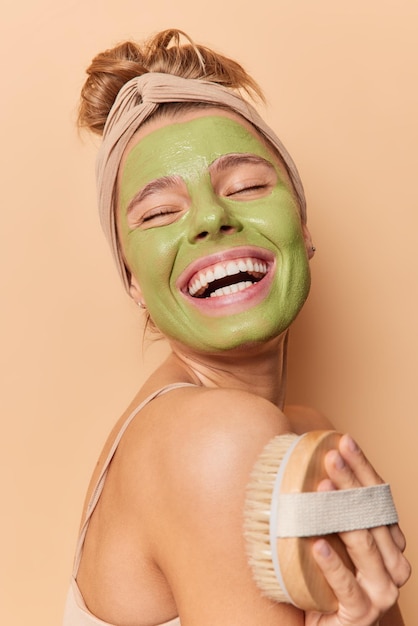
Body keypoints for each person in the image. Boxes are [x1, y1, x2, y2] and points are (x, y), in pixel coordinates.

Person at [63, 29, 410, 626]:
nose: (211, 219)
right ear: (133, 283)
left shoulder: (304, 436)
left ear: (302, 227)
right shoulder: (215, 441)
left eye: (247, 186)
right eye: (159, 213)